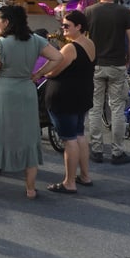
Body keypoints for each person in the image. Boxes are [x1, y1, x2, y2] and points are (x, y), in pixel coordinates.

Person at [0, 4, 62, 199]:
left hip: (4, 92)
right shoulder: (36, 40)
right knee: (28, 138)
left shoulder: (0, 44)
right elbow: (57, 56)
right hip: (26, 90)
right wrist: (39, 74)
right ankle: (31, 189)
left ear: (7, 22)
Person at [84, 0, 130, 165]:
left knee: (95, 108)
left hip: (96, 65)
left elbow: (83, 39)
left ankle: (96, 149)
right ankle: (117, 151)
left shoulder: (89, 12)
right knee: (117, 108)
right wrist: (128, 59)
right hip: (116, 65)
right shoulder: (123, 12)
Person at [41, 10, 96, 194]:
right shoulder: (90, 44)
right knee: (79, 134)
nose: (63, 29)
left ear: (79, 26)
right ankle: (85, 176)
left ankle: (69, 182)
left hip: (65, 97)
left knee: (69, 139)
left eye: (67, 26)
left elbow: (54, 70)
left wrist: (42, 73)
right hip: (82, 95)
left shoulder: (70, 48)